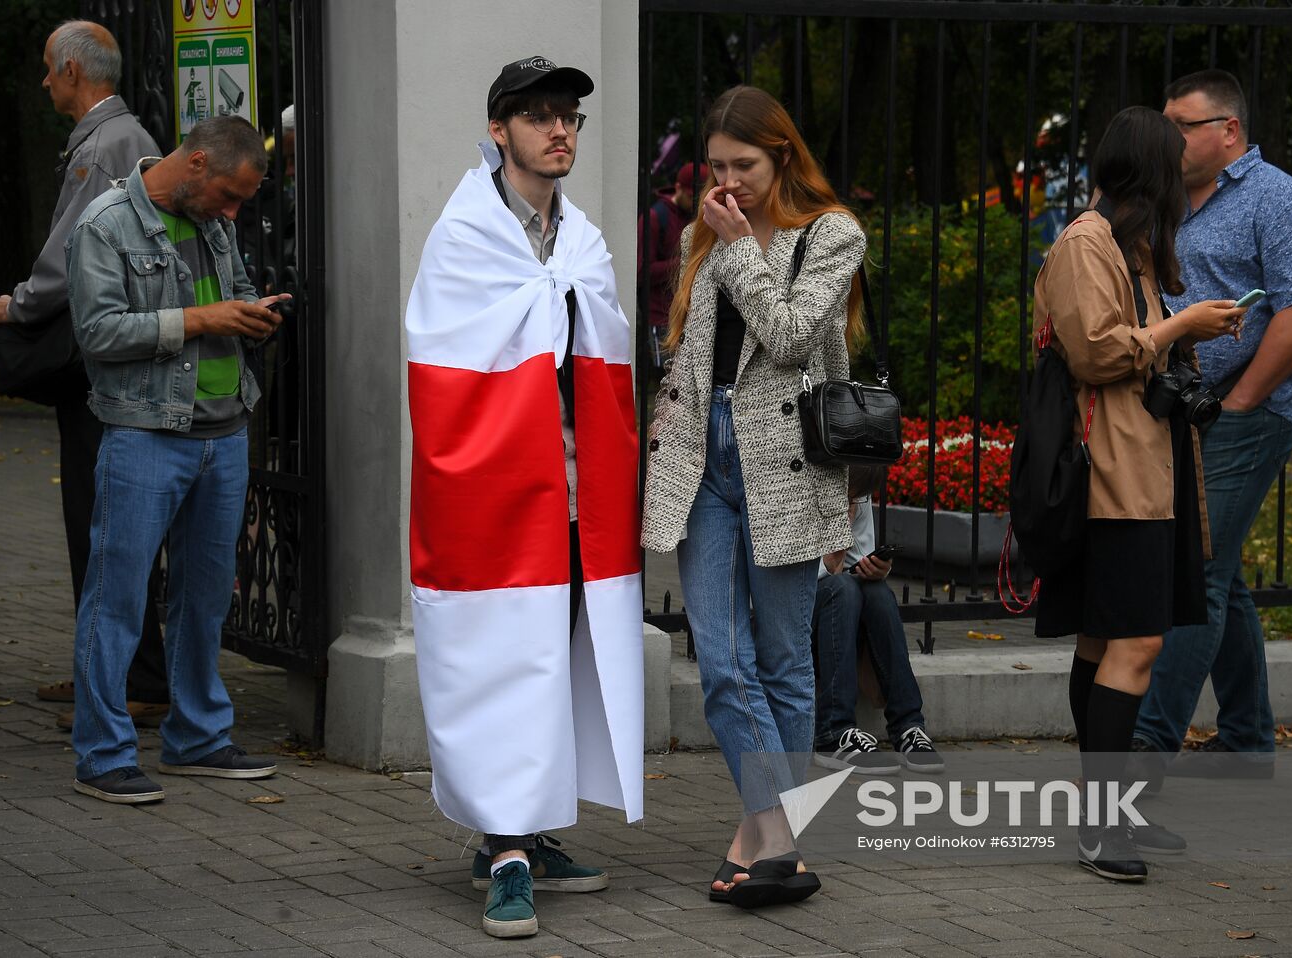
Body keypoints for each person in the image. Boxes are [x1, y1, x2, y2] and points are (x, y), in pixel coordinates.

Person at [404, 56, 644, 940]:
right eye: (541, 115)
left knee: (557, 655)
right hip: (497, 492)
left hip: (576, 492)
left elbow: (607, 361)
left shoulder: (581, 241)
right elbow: (444, 365)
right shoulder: (465, 235)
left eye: (571, 116)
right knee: (503, 657)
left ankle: (524, 834)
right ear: (500, 128)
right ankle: (505, 857)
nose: (561, 130)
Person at [642, 85, 866, 908]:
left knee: (782, 661)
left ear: (783, 157)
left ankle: (760, 839)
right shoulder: (709, 228)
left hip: (788, 462)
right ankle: (779, 834)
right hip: (706, 454)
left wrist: (737, 248)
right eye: (717, 168)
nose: (729, 183)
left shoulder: (831, 233)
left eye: (747, 167)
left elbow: (790, 336)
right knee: (723, 664)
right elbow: (688, 349)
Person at [1031, 106, 1248, 883]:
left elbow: (1137, 347)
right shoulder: (1088, 243)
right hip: (1112, 477)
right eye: (1174, 161)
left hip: (1141, 469)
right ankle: (1100, 827)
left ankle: (1107, 813)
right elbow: (1095, 353)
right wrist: (1179, 322)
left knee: (1105, 641)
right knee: (1135, 643)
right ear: (1147, 171)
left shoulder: (1133, 248)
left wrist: (1184, 330)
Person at [65, 116, 288, 805]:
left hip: (223, 435)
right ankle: (102, 754)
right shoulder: (105, 224)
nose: (233, 212)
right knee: (118, 595)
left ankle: (196, 738)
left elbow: (236, 288)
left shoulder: (212, 222)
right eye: (228, 195)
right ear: (193, 165)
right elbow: (98, 333)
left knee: (202, 599)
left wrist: (252, 310)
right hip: (144, 434)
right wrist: (203, 320)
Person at [1133, 70, 1292, 770]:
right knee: (1224, 577)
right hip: (1188, 409)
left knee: (1198, 573)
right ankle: (1248, 739)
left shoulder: (1277, 198)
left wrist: (1245, 400)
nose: (1168, 138)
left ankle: (1146, 748)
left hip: (1249, 413)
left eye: (1181, 126)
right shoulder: (1168, 201)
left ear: (1228, 132)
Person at [0, 20, 171, 731]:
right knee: (96, 516)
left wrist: (18, 303)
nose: (42, 81)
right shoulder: (119, 139)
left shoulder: (105, 145)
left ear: (72, 69)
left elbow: (72, 256)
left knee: (102, 519)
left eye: (47, 68)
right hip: (109, 360)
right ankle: (110, 669)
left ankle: (134, 680)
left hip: (100, 361)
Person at [814, 466, 943, 775]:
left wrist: (874, 569)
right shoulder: (797, 490)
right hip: (793, 618)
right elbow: (780, 579)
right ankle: (833, 733)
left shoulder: (855, 489)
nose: (854, 506)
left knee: (875, 591)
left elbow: (858, 558)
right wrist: (829, 559)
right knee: (842, 589)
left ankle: (908, 726)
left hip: (840, 620)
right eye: (847, 498)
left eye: (857, 499)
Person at [637, 161, 707, 349]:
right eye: (692, 197)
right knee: (664, 374)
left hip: (690, 314)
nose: (696, 203)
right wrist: (685, 262)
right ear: (678, 188)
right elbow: (642, 272)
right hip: (659, 314)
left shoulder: (698, 217)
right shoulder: (655, 217)